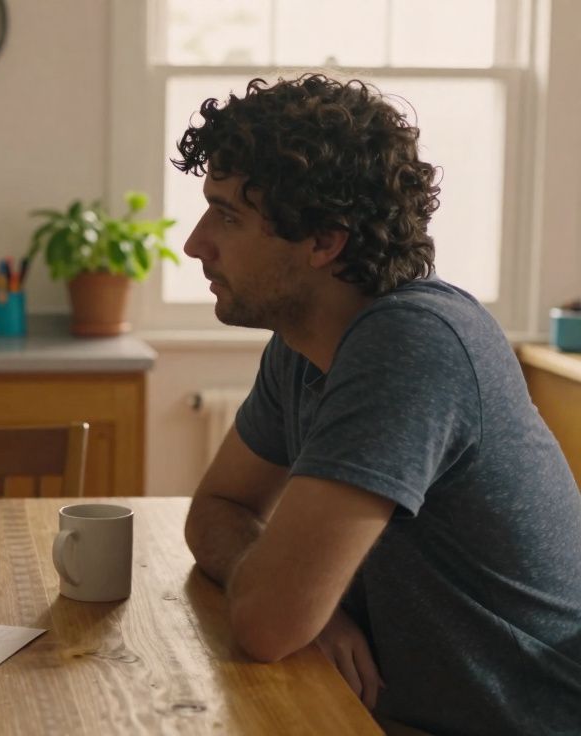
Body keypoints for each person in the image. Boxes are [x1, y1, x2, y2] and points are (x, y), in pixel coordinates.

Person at [174, 73, 581, 734]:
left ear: (323, 242)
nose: (195, 243)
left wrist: (287, 602)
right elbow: (218, 511)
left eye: (227, 215)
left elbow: (268, 623)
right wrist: (315, 609)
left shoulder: (411, 345)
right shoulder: (302, 343)